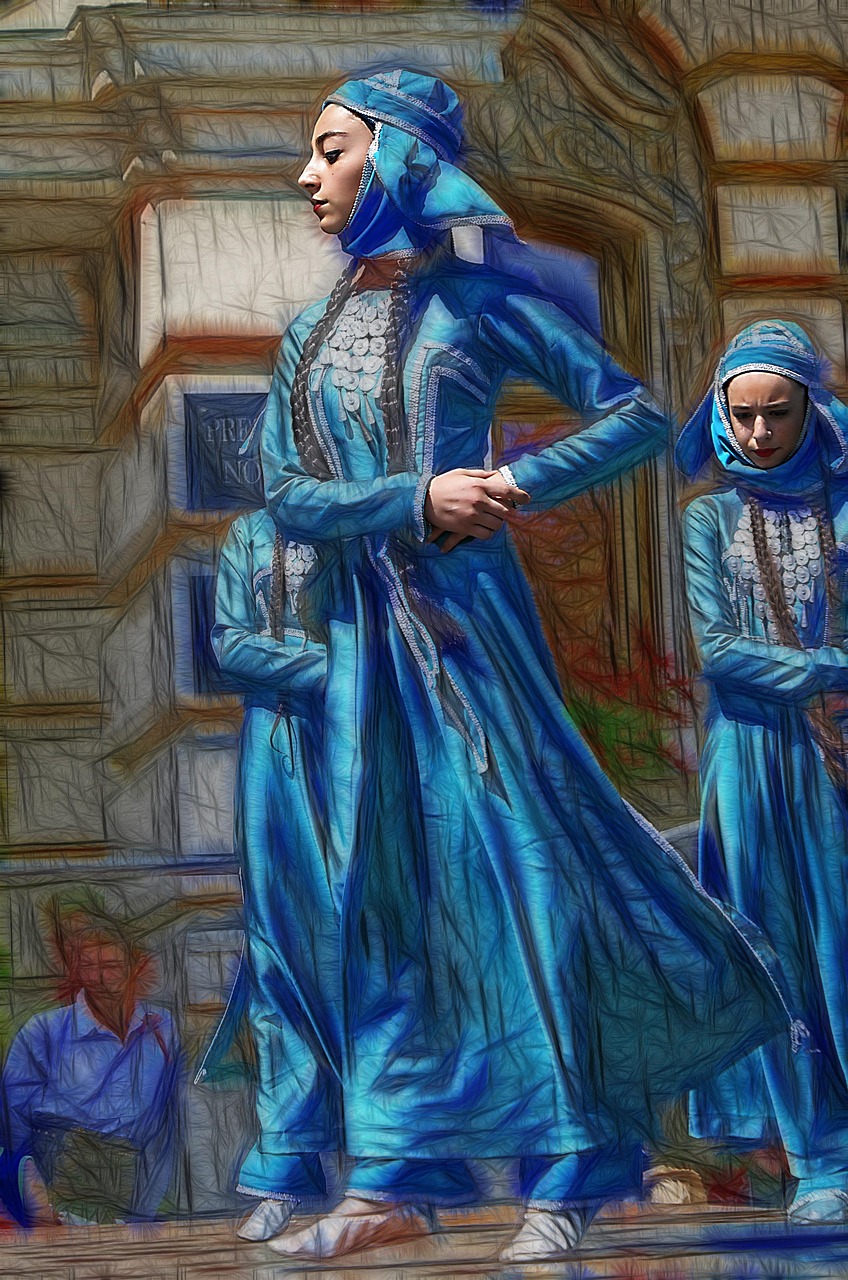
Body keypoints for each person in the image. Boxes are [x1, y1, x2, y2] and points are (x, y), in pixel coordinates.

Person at [251, 69, 788, 1263]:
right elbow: (283, 490)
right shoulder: (305, 336)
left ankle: (568, 1165)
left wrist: (507, 483)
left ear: (395, 161)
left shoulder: (479, 303)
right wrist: (410, 497)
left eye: (331, 150)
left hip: (467, 636)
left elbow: (632, 413)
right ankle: (394, 1173)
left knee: (521, 872)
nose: (307, 174)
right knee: (378, 895)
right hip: (357, 653)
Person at [677, 319, 848, 1225]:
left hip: (835, 761)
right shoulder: (707, 519)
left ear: (811, 409)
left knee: (842, 946)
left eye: (777, 413)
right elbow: (720, 651)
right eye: (741, 415)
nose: (758, 433)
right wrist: (830, 666)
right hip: (748, 765)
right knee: (776, 957)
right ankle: (819, 1160)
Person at [208, 506, 328, 1242]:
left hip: (358, 739)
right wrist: (328, 667)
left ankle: (399, 1166)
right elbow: (230, 644)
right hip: (272, 744)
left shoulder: (365, 515)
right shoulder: (247, 534)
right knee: (277, 948)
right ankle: (285, 1160)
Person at [0, 896, 181, 1225]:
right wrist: (39, 1207)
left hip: (138, 1200)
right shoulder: (43, 1032)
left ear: (135, 965)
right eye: (88, 965)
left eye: (112, 965)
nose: (100, 978)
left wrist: (144, 1212)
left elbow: (174, 1124)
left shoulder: (163, 1028)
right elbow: (12, 1130)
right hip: (60, 1198)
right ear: (76, 970)